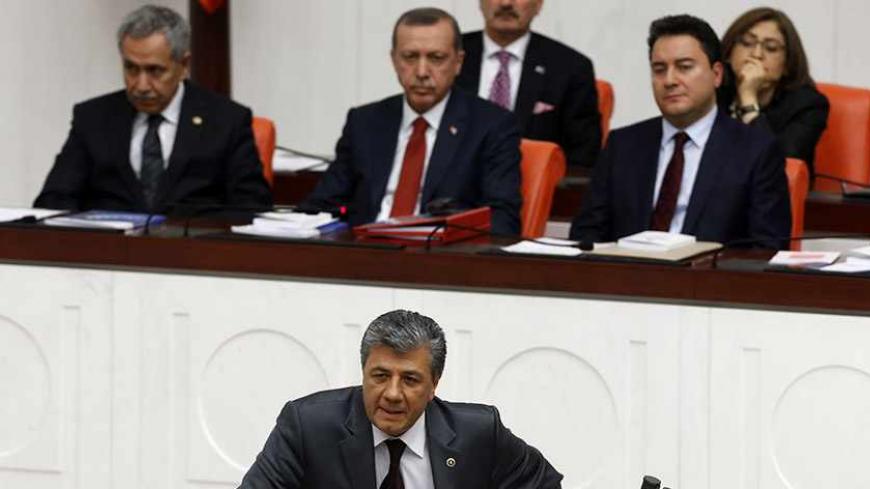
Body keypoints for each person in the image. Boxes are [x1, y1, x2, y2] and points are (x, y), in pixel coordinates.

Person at [238, 309, 563, 489]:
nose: (392, 394)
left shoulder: (477, 432)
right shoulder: (308, 427)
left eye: (410, 379)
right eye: (380, 376)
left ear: (434, 384)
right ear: (363, 372)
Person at [569, 14, 791, 249]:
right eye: (659, 69)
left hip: (708, 281)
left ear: (717, 75)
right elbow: (586, 235)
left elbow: (767, 249)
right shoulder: (623, 145)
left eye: (684, 67)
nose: (670, 80)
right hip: (628, 278)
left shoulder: (755, 150)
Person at [301, 8, 522, 235]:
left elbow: (502, 220)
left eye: (436, 58)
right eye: (410, 57)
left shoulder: (491, 126)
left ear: (458, 62)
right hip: (363, 254)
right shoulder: (365, 122)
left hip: (441, 258)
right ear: (394, 60)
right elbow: (321, 205)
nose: (422, 71)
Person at [34, 5, 272, 214]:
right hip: (109, 255)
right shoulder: (93, 118)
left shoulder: (226, 121)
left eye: (155, 70)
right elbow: (54, 201)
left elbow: (251, 208)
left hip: (194, 256)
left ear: (184, 65)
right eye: (131, 68)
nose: (141, 85)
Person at [456, 0, 601, 168]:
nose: (506, 3)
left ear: (539, 4)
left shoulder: (570, 67)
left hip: (530, 187)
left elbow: (583, 156)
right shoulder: (444, 56)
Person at [719, 7, 829, 175]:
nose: (756, 54)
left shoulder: (809, 106)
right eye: (747, 43)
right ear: (729, 52)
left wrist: (748, 97)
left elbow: (776, 168)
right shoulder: (711, 93)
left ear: (787, 64)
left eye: (770, 48)